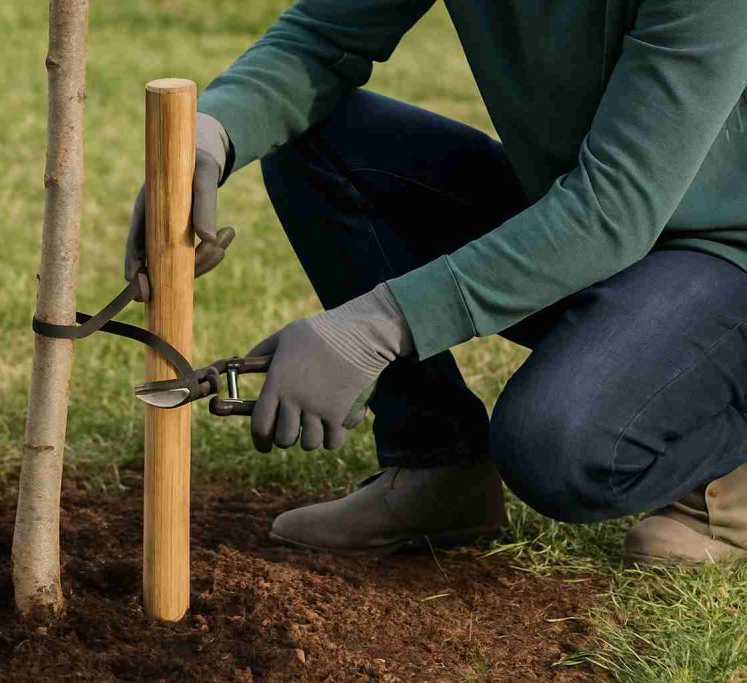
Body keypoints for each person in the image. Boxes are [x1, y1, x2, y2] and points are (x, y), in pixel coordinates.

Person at [125, 1, 747, 565]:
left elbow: (616, 208)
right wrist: (207, 140)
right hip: (587, 214)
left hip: (722, 252)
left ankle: (734, 486)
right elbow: (318, 38)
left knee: (556, 447)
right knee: (315, 142)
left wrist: (378, 325)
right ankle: (438, 466)